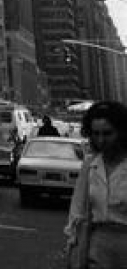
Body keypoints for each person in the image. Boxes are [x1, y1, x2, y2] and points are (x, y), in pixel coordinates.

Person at [66, 100, 127, 269]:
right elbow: (78, 210)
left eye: (107, 133)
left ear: (121, 132)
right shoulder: (91, 163)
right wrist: (73, 246)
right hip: (98, 248)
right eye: (96, 133)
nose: (101, 140)